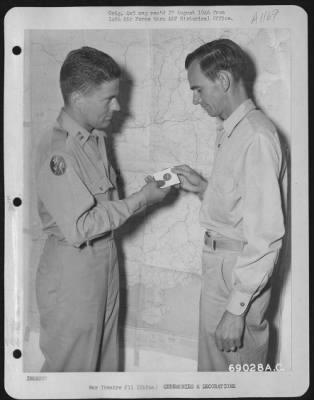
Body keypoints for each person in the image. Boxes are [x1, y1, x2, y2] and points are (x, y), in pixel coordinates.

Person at [35, 46, 170, 372]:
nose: (118, 106)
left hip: (104, 263)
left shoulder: (94, 138)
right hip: (73, 272)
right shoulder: (60, 150)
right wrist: (142, 199)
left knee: (105, 372)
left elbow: (105, 206)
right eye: (108, 98)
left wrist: (145, 192)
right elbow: (80, 226)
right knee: (71, 376)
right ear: (78, 97)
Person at [173, 39, 286, 371]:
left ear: (222, 80)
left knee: (233, 376)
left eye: (198, 89)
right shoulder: (232, 131)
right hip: (222, 266)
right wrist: (203, 189)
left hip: (237, 272)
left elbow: (265, 234)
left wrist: (237, 308)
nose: (195, 99)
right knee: (214, 372)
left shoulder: (256, 136)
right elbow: (243, 206)